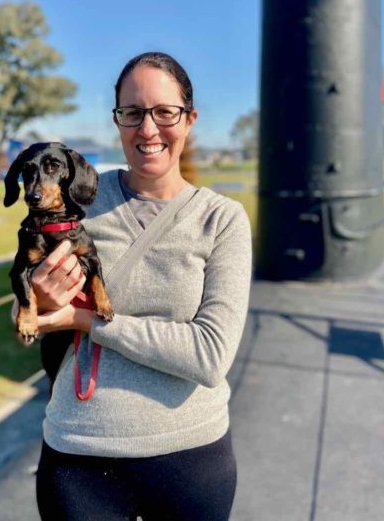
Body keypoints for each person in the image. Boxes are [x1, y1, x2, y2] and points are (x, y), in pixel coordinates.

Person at [30, 51, 252, 520]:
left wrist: (85, 320)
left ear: (189, 119)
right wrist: (37, 301)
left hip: (191, 461)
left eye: (164, 112)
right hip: (79, 460)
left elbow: (209, 355)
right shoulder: (77, 203)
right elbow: (27, 312)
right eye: (132, 113)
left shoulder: (222, 220)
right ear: (117, 121)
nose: (147, 129)